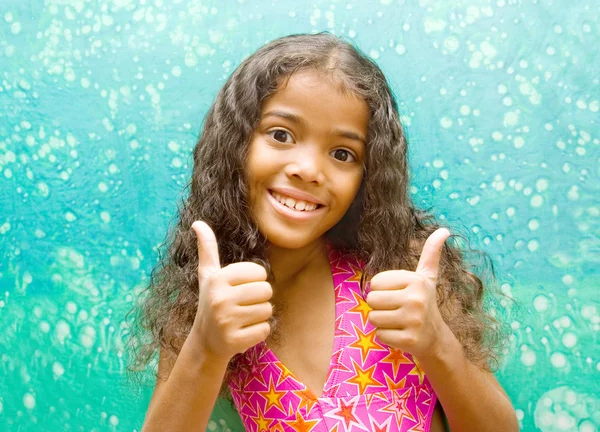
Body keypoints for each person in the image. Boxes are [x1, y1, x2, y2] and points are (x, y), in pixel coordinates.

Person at [128, 32, 518, 431]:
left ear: (367, 178)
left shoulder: (404, 271)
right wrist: (206, 347)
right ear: (235, 143)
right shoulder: (203, 306)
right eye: (281, 135)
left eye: (342, 154)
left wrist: (437, 343)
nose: (308, 170)